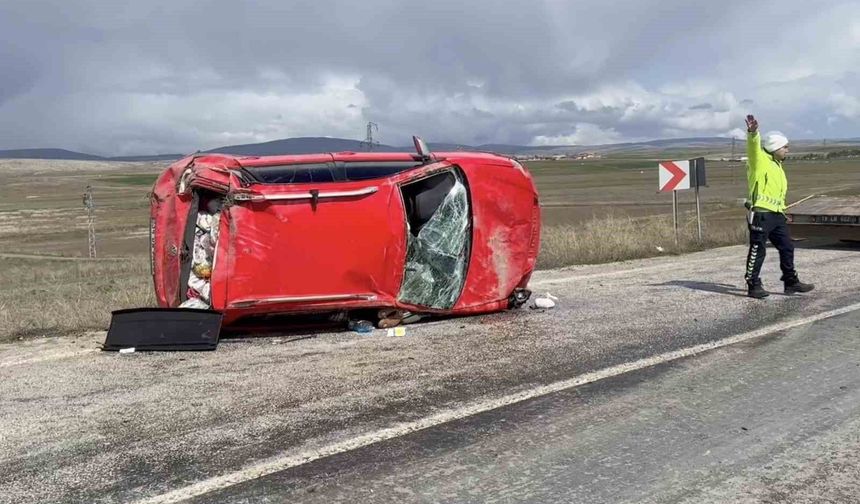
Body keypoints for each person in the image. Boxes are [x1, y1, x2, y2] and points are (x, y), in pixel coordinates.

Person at [743, 114, 814, 298]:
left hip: (776, 215)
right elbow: (753, 148)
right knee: (758, 249)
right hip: (761, 214)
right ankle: (753, 284)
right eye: (785, 147)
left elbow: (777, 193)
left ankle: (790, 281)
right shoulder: (759, 161)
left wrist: (782, 211)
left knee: (787, 246)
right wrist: (753, 133)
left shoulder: (778, 165)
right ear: (775, 148)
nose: (787, 150)